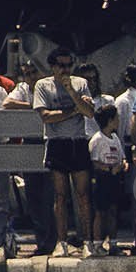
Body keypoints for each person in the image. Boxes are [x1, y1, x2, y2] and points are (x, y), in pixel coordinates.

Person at [33, 48, 95, 257]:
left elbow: (88, 112)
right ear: (53, 66)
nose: (65, 69)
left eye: (68, 65)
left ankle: (87, 241)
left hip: (77, 142)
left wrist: (72, 93)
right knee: (60, 196)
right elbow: (46, 116)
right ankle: (62, 242)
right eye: (61, 65)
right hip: (56, 143)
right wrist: (72, 111)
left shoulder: (80, 84)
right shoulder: (42, 85)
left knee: (83, 195)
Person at [87, 106, 127, 257]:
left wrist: (123, 164)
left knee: (113, 211)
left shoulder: (115, 138)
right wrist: (109, 169)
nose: (118, 121)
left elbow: (122, 157)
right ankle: (97, 244)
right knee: (100, 212)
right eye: (116, 118)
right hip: (102, 179)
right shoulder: (97, 140)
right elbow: (94, 162)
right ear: (110, 120)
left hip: (115, 180)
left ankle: (113, 244)